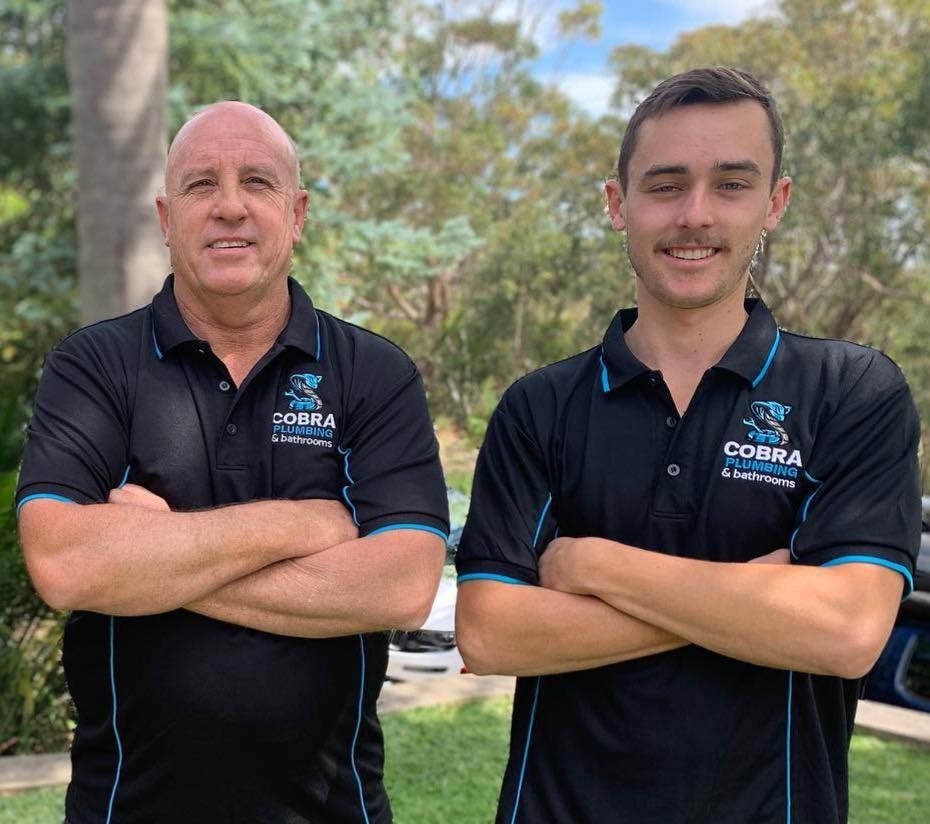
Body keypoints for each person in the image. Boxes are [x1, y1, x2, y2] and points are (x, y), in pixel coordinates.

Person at [455, 67, 921, 824]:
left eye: (731, 185)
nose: (696, 214)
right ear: (618, 204)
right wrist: (756, 599)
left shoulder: (851, 391)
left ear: (775, 202)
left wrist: (594, 566)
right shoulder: (540, 405)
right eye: (666, 185)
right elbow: (489, 632)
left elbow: (846, 632)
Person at [16, 101, 449, 824]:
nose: (229, 206)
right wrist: (304, 525)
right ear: (165, 217)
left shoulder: (373, 373)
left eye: (257, 181)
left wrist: (150, 560)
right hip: (126, 808)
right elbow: (64, 565)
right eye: (200, 184)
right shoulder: (93, 365)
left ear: (297, 213)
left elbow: (404, 585)